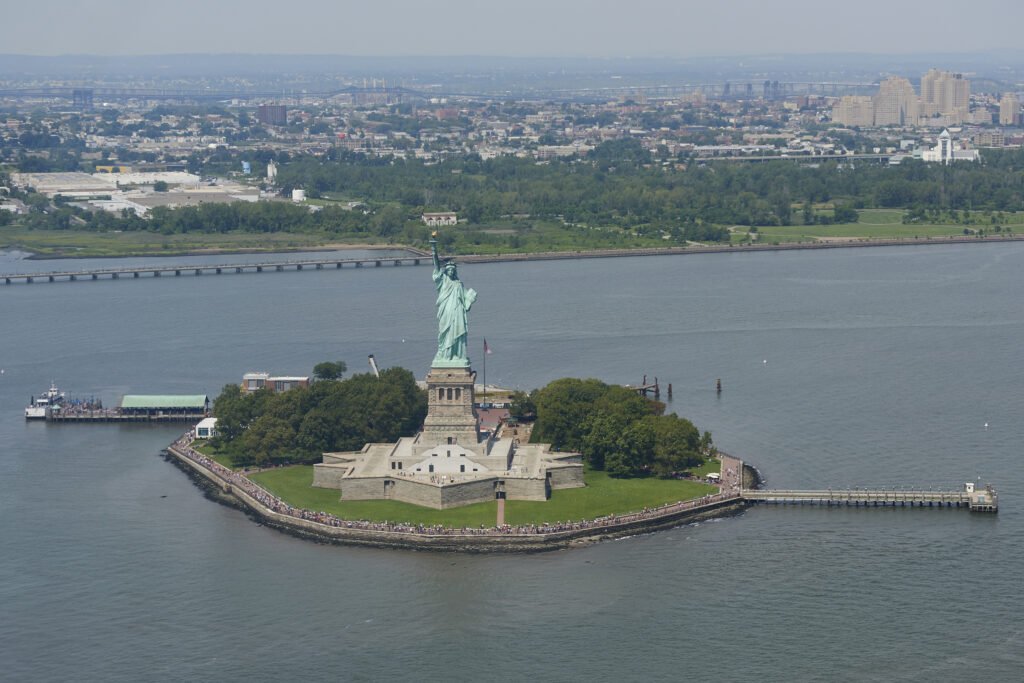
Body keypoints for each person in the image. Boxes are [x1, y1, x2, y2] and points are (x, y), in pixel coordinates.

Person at [430, 234, 476, 365]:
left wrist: (471, 298)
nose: (450, 271)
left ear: (454, 271)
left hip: (457, 311)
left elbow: (466, 298)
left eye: (452, 270)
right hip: (446, 310)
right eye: (448, 270)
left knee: (457, 331)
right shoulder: (442, 280)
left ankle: (456, 355)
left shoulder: (458, 284)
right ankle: (445, 355)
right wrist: (434, 250)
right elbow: (436, 266)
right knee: (444, 332)